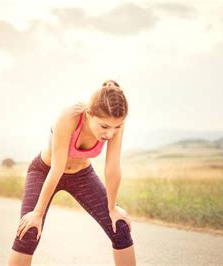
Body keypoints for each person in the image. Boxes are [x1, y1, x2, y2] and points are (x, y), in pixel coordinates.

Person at [8, 80, 136, 266]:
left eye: (116, 127)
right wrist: (37, 212)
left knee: (120, 228)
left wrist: (112, 207)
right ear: (89, 115)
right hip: (45, 171)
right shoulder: (69, 118)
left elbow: (112, 168)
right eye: (104, 127)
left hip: (82, 175)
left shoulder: (115, 125)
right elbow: (57, 168)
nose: (110, 134)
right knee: (28, 232)